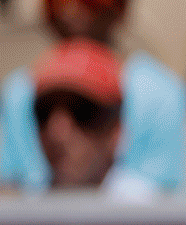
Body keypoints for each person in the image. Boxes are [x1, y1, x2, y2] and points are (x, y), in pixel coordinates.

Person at [0, 0, 186, 199]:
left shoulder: (161, 93)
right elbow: (11, 190)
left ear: (121, 4)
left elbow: (164, 200)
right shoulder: (19, 90)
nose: (69, 10)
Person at [31, 38, 126, 190]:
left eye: (82, 112)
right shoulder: (15, 208)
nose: (56, 133)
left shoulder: (151, 209)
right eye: (44, 112)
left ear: (117, 128)